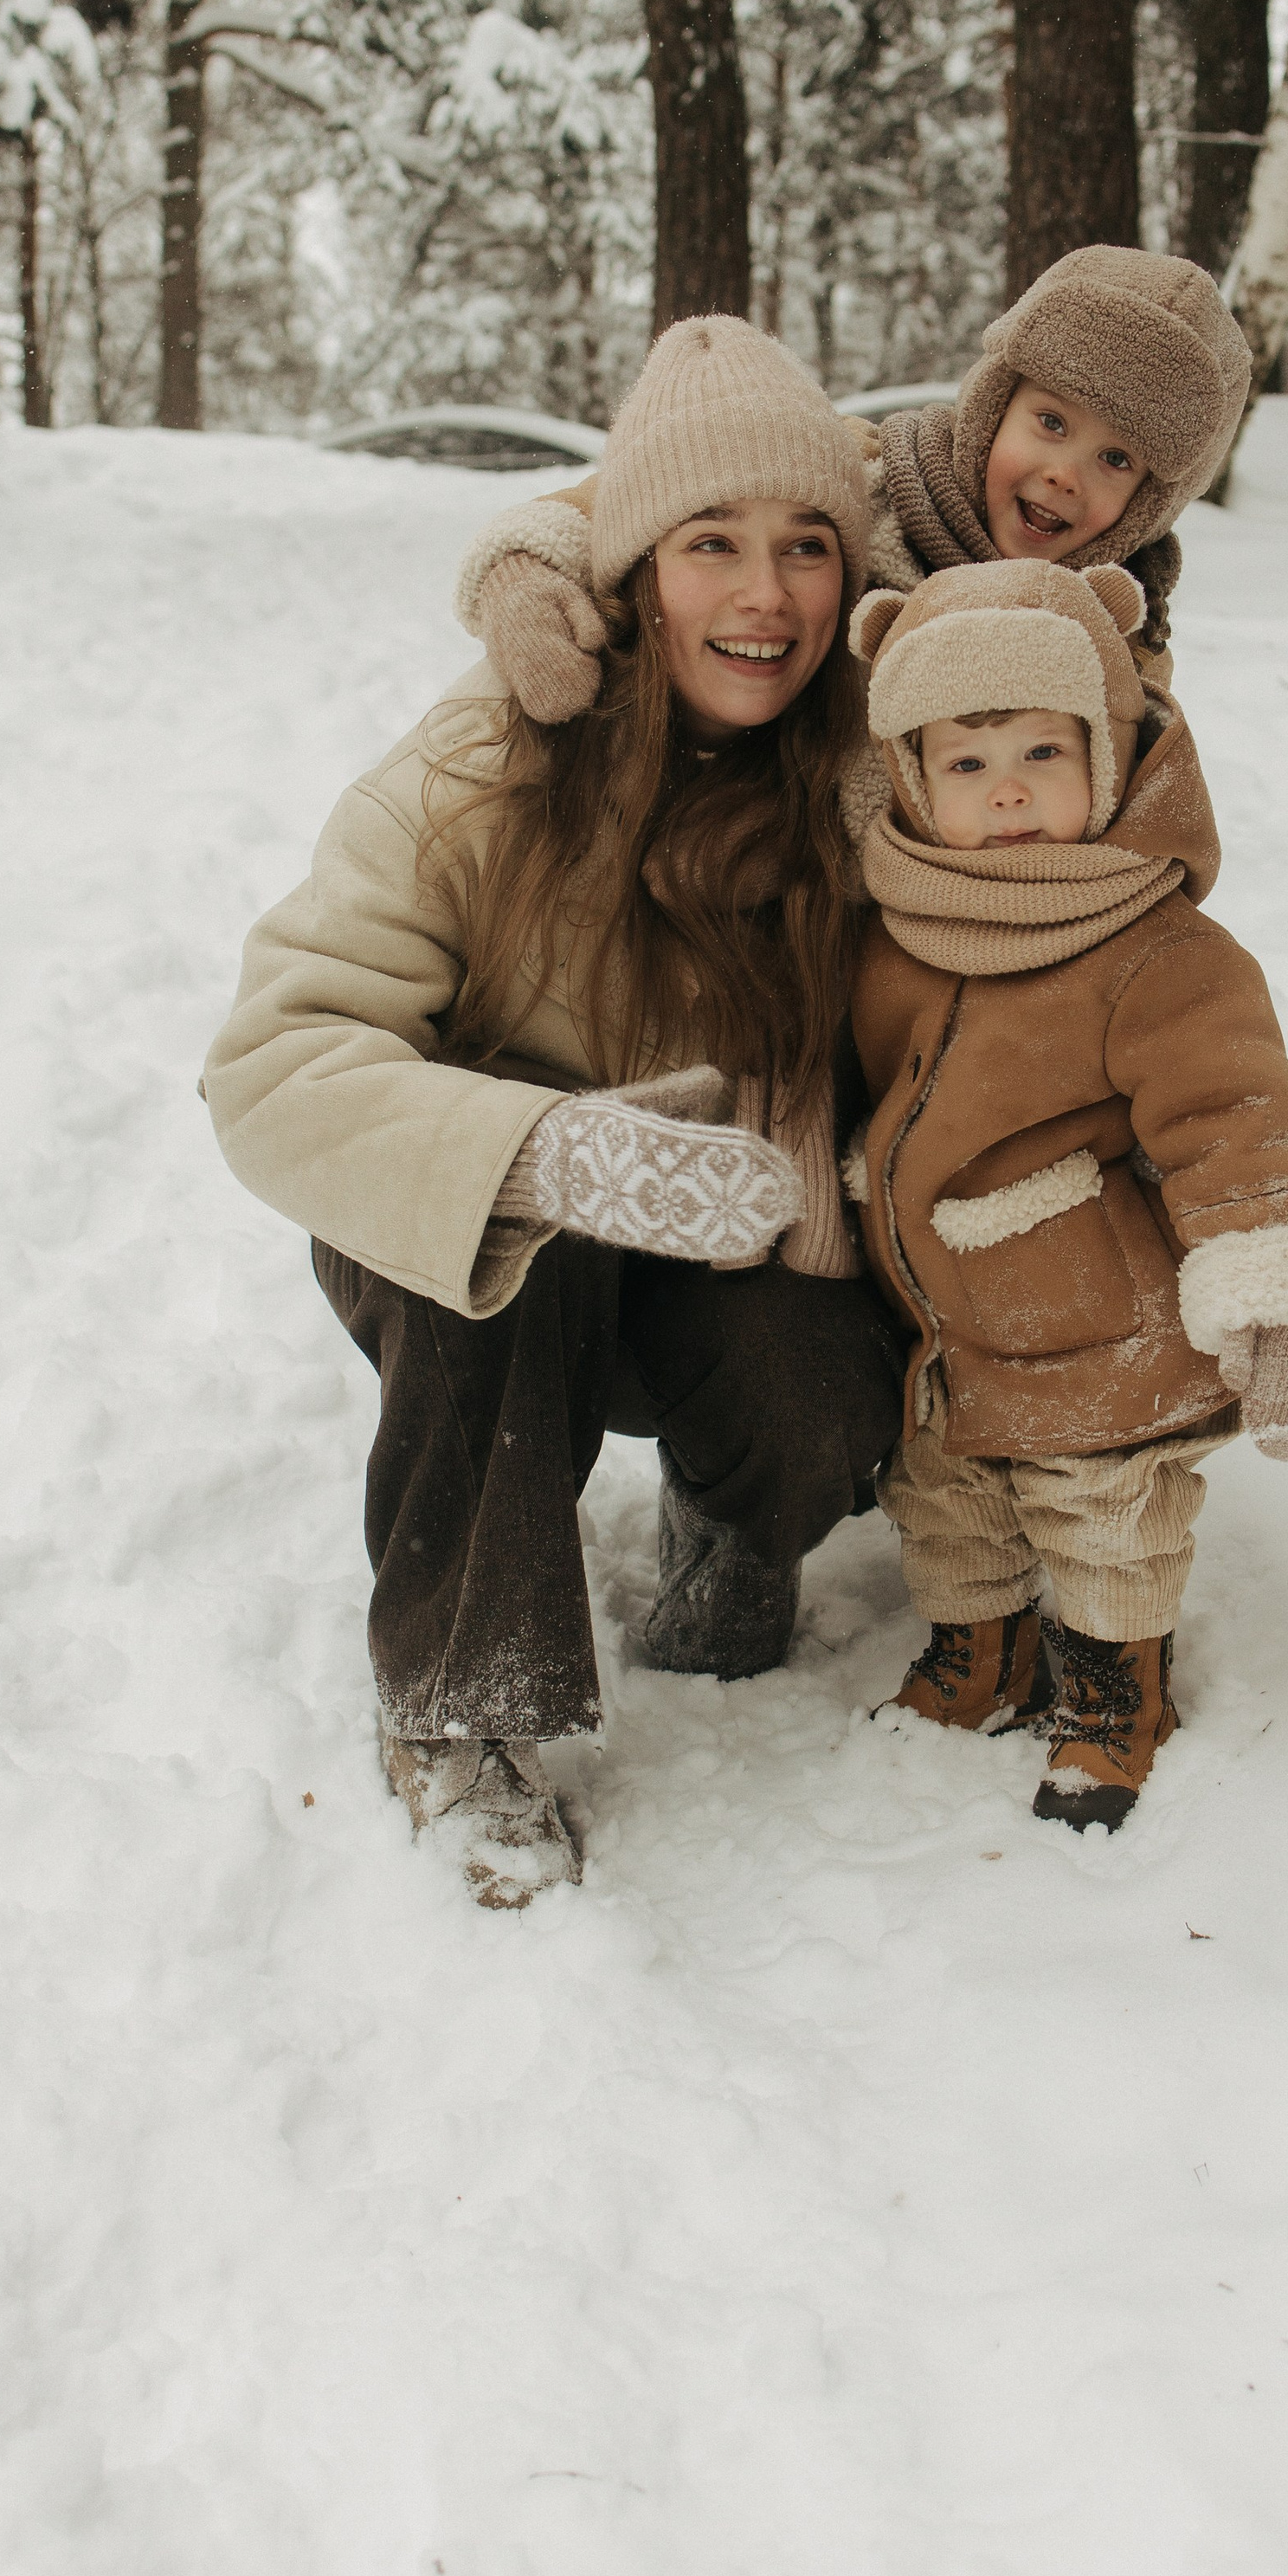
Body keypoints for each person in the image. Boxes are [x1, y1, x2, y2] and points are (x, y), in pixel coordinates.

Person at [203, 318, 906, 1910]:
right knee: (511, 1231)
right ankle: (463, 1708)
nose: (766, 595)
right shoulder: (482, 761)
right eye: (711, 542)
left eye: (806, 547)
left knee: (817, 1386)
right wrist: (538, 1156)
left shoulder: (874, 771)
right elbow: (271, 1060)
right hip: (491, 1238)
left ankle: (738, 1523)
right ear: (636, 568)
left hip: (739, 1228)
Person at [842, 558, 1288, 1830]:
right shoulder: (895, 921)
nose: (1007, 788)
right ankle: (984, 1651)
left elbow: (1234, 1126)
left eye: (1041, 751)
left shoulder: (1159, 946)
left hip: (1103, 1325)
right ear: (910, 776)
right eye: (965, 765)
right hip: (940, 1321)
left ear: (1114, 758)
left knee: (1105, 1518)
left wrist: (1274, 1301)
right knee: (944, 1494)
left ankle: (1114, 1687)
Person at [452, 246, 1254, 717]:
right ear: (991, 404)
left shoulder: (1119, 656)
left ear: (1152, 504)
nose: (1063, 473)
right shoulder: (853, 474)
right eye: (1050, 422)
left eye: (1117, 461)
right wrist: (526, 568)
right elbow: (641, 498)